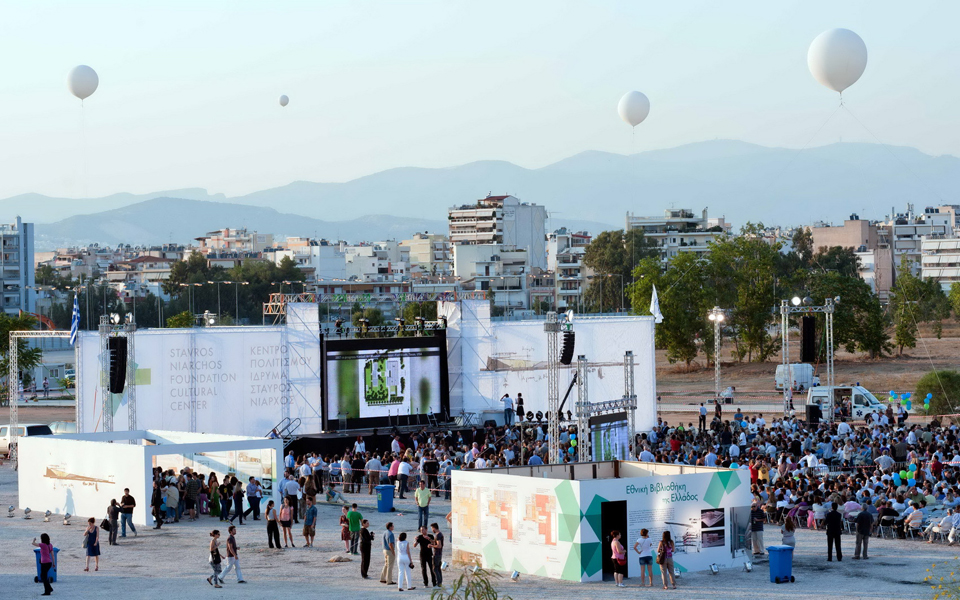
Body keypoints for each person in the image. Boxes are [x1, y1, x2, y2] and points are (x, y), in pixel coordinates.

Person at [430, 522, 444, 588]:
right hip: (439, 554)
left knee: (435, 568)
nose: (432, 530)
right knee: (438, 568)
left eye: (432, 528)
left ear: (434, 528)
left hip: (437, 554)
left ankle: (438, 583)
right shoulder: (440, 534)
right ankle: (440, 582)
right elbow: (437, 543)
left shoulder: (438, 535)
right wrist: (430, 540)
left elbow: (439, 545)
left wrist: (431, 546)